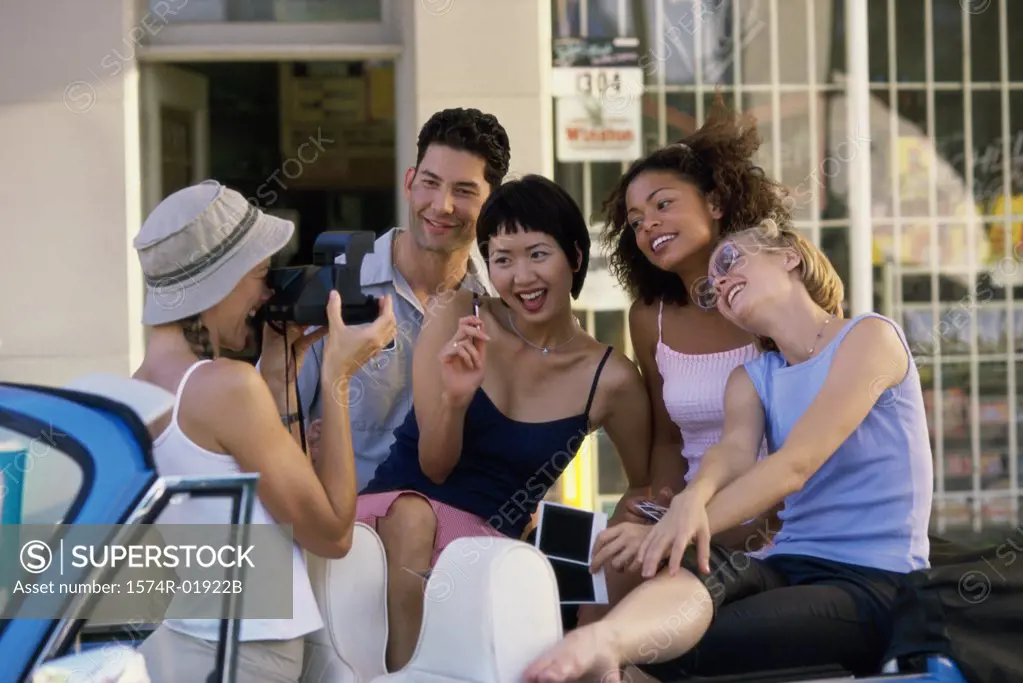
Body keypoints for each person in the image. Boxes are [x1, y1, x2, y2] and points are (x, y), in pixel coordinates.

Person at [523, 218, 934, 682]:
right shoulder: (754, 376)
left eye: (731, 262)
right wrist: (689, 502)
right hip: (783, 563)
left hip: (873, 581)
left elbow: (794, 465)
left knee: (679, 648)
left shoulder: (869, 338)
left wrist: (673, 530)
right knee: (699, 570)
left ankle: (612, 648)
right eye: (713, 288)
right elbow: (731, 453)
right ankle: (603, 640)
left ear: (789, 257)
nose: (719, 283)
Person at [353, 174, 653, 671]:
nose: (521, 277)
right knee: (414, 514)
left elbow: (643, 488)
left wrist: (600, 568)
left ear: (575, 257)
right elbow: (434, 467)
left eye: (538, 254)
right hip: (392, 520)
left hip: (489, 550)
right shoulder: (458, 314)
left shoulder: (611, 378)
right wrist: (455, 399)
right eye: (502, 259)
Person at [131, 180, 396, 683]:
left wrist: (279, 372)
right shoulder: (227, 387)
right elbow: (332, 533)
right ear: (221, 281)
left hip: (174, 650)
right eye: (256, 275)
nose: (265, 293)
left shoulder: (135, 394)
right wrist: (338, 374)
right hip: (246, 655)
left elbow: (255, 491)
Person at [577, 97, 791, 629]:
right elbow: (668, 441)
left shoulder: (778, 292)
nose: (648, 225)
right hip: (688, 516)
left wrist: (705, 521)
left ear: (716, 203)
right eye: (635, 220)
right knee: (601, 592)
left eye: (663, 204)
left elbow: (813, 431)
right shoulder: (650, 318)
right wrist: (658, 505)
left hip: (780, 516)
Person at [297, 107, 510, 490]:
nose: (441, 205)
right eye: (430, 182)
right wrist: (300, 448)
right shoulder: (337, 286)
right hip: (346, 534)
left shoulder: (499, 307)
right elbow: (274, 419)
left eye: (463, 191)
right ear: (409, 182)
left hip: (455, 535)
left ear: (492, 205)